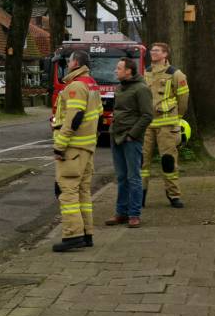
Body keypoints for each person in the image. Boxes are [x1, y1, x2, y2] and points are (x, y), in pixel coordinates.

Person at [52, 50, 102, 252]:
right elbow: (97, 113)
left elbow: (75, 117)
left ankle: (73, 235)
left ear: (75, 63)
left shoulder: (75, 86)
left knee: (68, 192)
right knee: (83, 192)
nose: (68, 62)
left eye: (70, 59)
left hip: (73, 148)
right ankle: (87, 233)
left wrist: (60, 145)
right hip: (87, 148)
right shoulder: (91, 84)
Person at [106, 57, 153, 228]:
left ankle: (134, 214)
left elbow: (147, 115)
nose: (115, 71)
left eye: (119, 68)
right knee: (121, 177)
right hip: (116, 136)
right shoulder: (120, 88)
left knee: (134, 177)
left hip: (130, 139)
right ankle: (121, 212)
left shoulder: (141, 89)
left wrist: (132, 135)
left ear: (129, 71)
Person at [142, 43, 190, 208]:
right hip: (147, 124)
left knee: (168, 161)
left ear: (165, 54)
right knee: (142, 162)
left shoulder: (176, 74)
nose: (152, 53)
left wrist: (178, 117)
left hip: (167, 125)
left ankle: (173, 195)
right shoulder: (146, 72)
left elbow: (183, 99)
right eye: (152, 50)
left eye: (156, 51)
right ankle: (140, 194)